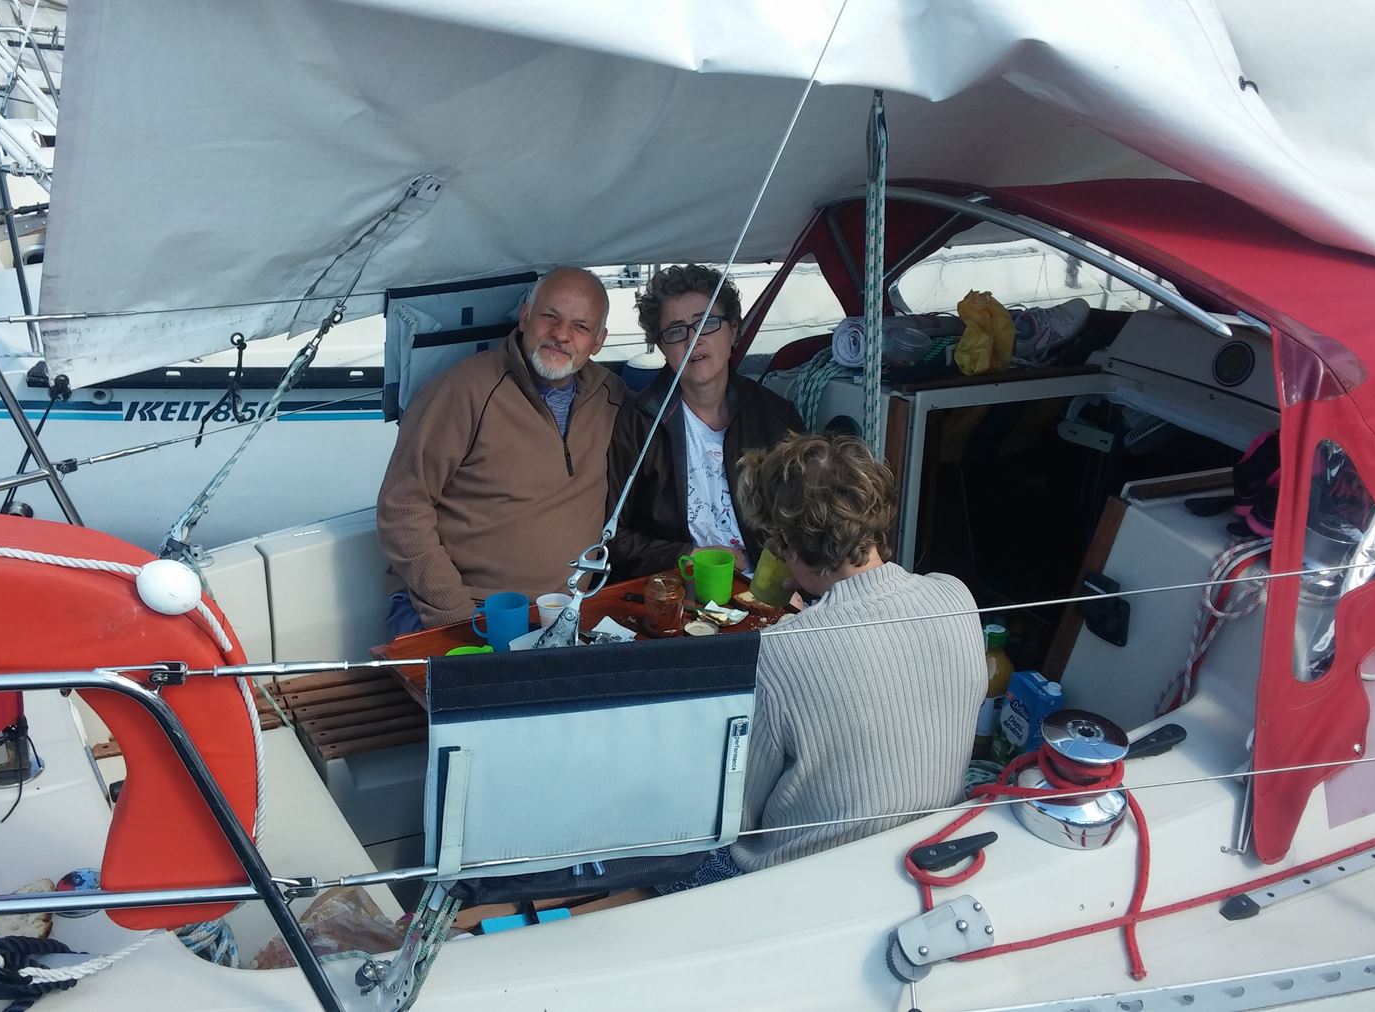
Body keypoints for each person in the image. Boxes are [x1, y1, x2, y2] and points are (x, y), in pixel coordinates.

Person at [665, 434, 983, 890]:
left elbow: (735, 815)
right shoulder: (956, 595)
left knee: (667, 849)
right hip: (930, 849)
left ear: (788, 544)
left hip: (815, 879)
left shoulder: (780, 653)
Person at [377, 267, 624, 632]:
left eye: (580, 326)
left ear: (599, 341)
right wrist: (456, 613)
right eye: (550, 317)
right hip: (469, 609)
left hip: (563, 613)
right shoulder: (464, 390)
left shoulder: (611, 397)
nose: (561, 335)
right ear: (525, 318)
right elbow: (401, 507)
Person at [606, 265, 801, 580]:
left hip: (767, 587)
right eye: (675, 331)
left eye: (706, 323)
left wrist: (779, 584)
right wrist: (687, 556)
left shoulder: (777, 417)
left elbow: (803, 521)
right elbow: (614, 536)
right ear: (661, 346)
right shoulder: (639, 421)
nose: (692, 340)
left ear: (733, 331)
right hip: (678, 587)